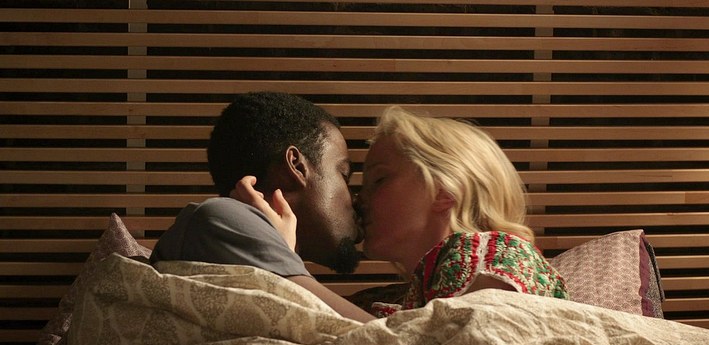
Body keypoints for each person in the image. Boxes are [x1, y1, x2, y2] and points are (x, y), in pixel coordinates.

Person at [240, 105, 569, 318]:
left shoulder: (496, 255)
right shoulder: (387, 299)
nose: (359, 200)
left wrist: (284, 266)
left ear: (445, 189)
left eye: (379, 180)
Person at [150, 91, 374, 322]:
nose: (355, 200)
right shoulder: (222, 217)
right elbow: (375, 335)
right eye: (343, 175)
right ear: (297, 166)